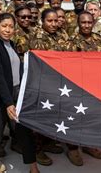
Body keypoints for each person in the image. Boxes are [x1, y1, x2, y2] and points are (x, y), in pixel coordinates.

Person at [0, 13, 39, 173]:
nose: (7, 30)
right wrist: (8, 103)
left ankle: (33, 168)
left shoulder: (12, 45)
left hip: (15, 93)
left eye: (11, 26)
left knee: (25, 131)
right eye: (4, 26)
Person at [64, 11, 101, 166]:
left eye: (89, 22)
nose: (86, 25)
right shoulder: (71, 42)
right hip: (76, 87)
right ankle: (73, 148)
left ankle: (88, 144)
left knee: (91, 118)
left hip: (94, 86)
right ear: (78, 23)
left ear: (93, 22)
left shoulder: (98, 39)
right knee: (75, 118)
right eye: (83, 22)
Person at [29, 9, 69, 165]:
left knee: (53, 116)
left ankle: (48, 143)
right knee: (41, 118)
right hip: (43, 85)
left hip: (58, 85)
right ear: (42, 21)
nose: (53, 24)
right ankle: (37, 150)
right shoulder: (38, 37)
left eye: (55, 21)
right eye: (49, 21)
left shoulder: (60, 35)